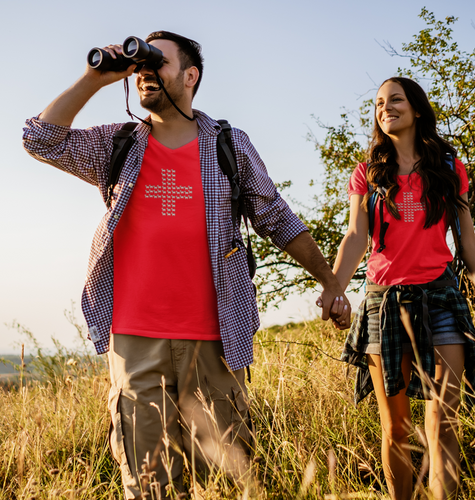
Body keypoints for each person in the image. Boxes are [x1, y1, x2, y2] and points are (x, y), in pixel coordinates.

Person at [22, 31, 351, 499]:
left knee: (222, 478)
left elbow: (277, 217)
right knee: (148, 482)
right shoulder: (118, 144)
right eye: (142, 64)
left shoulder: (228, 145)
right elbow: (39, 138)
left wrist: (331, 282)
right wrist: (95, 80)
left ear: (191, 76)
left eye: (160, 61)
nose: (146, 72)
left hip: (216, 340)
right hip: (135, 341)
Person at [319, 77, 475, 500]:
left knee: (442, 421)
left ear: (416, 109)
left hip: (441, 299)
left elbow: (468, 245)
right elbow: (355, 237)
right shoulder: (367, 173)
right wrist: (334, 288)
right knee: (395, 427)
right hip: (382, 302)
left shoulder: (448, 168)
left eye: (395, 100)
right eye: (379, 103)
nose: (385, 107)